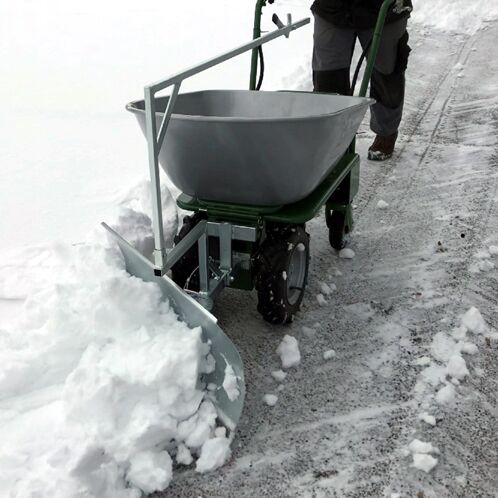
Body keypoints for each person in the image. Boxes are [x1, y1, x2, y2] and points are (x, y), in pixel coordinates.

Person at [311, 0, 412, 160]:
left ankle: (386, 131)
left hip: (383, 8)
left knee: (386, 70)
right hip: (331, 8)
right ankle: (332, 136)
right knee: (327, 74)